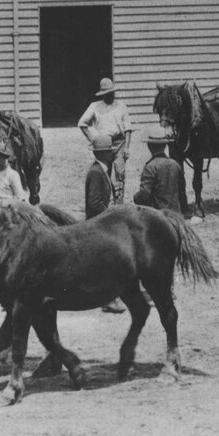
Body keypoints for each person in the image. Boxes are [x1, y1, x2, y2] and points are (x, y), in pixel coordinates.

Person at [85, 134, 125, 314]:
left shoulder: (101, 169)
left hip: (98, 224)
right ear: (104, 154)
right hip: (98, 225)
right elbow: (94, 202)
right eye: (110, 152)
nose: (112, 155)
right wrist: (110, 216)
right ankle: (109, 300)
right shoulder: (96, 172)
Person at [78, 77, 134, 204]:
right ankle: (104, 202)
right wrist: (93, 140)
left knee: (120, 173)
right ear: (103, 94)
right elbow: (82, 123)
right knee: (103, 174)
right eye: (107, 94)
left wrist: (126, 148)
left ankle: (119, 202)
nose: (110, 96)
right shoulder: (95, 106)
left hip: (119, 143)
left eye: (112, 93)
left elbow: (128, 128)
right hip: (103, 145)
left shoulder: (121, 106)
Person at [133, 125, 186, 213]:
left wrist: (136, 197)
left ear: (149, 145)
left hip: (158, 218)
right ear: (165, 145)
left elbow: (144, 195)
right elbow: (181, 191)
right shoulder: (175, 164)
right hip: (175, 216)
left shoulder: (150, 167)